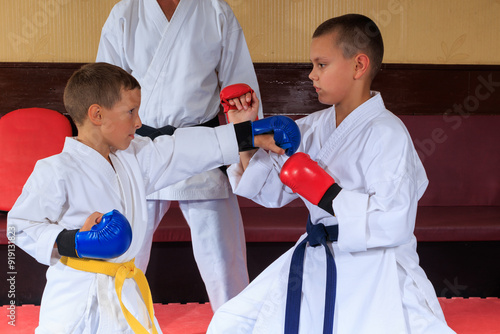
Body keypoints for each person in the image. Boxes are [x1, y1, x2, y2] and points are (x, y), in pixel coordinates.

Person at [208, 14, 456, 334]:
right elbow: (270, 192)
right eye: (312, 65)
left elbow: (393, 223)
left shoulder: (388, 134)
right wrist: (244, 130)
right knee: (231, 323)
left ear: (358, 65)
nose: (312, 75)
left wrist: (326, 193)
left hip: (376, 266)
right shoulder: (311, 128)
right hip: (316, 254)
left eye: (321, 64)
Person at [6, 62, 298, 333]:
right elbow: (20, 225)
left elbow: (184, 148)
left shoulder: (135, 157)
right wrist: (73, 241)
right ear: (97, 115)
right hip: (76, 296)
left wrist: (248, 134)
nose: (139, 121)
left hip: (126, 288)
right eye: (130, 112)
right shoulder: (54, 170)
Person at [95, 0, 262, 311]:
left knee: (225, 261)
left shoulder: (215, 11)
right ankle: (114, 325)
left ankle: (238, 324)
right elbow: (103, 90)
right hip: (140, 148)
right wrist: (104, 153)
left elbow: (241, 87)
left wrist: (247, 149)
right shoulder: (125, 13)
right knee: (121, 254)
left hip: (202, 145)